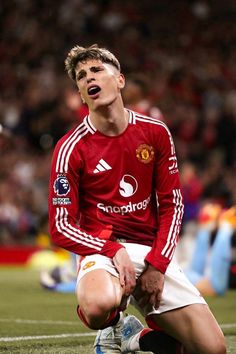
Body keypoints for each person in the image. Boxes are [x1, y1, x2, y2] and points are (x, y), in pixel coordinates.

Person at [48, 44, 226, 354]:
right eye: (81, 75)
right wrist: (111, 249)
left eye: (97, 70)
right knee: (99, 304)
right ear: (80, 92)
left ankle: (139, 335)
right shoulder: (70, 147)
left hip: (150, 250)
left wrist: (157, 265)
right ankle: (113, 326)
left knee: (212, 349)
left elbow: (173, 204)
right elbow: (60, 226)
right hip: (103, 250)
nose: (89, 77)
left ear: (120, 80)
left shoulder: (155, 132)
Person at [185, 203, 236, 296]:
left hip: (212, 284)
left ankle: (218, 226)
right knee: (186, 272)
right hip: (212, 284)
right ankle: (224, 225)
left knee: (188, 273)